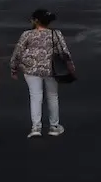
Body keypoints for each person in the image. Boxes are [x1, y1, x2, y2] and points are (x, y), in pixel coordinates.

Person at [10, 8, 74, 138]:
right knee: (52, 96)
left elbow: (18, 52)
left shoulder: (27, 34)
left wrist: (13, 68)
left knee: (35, 97)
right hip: (51, 69)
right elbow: (64, 51)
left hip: (31, 69)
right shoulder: (55, 34)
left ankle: (36, 127)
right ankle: (54, 126)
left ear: (35, 21)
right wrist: (70, 65)